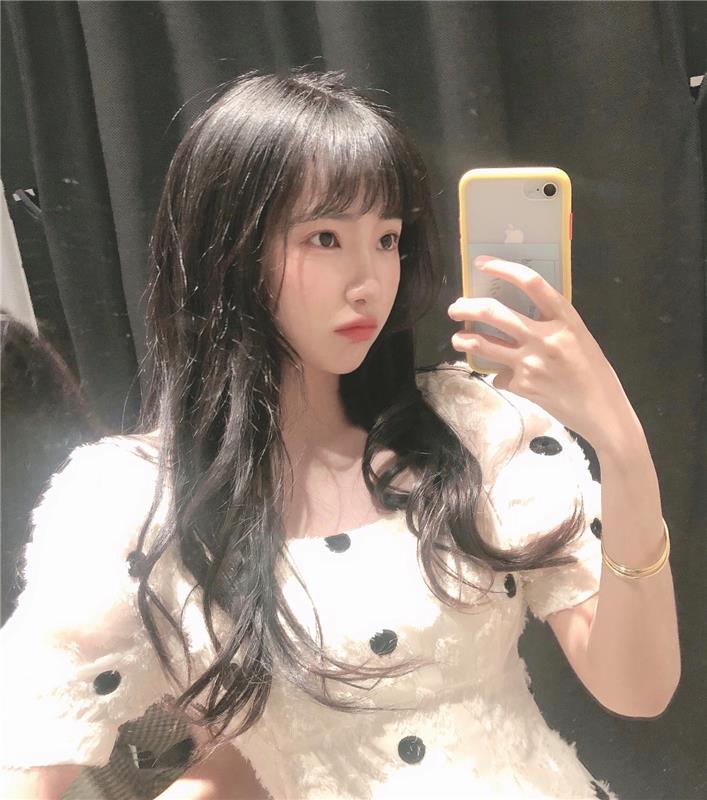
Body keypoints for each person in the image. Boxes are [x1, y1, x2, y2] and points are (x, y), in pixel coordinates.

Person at [0, 67, 676, 800]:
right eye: (325, 237)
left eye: (386, 238)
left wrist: (622, 447)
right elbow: (32, 732)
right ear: (226, 250)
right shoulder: (130, 499)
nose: (369, 280)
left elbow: (637, 688)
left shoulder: (474, 428)